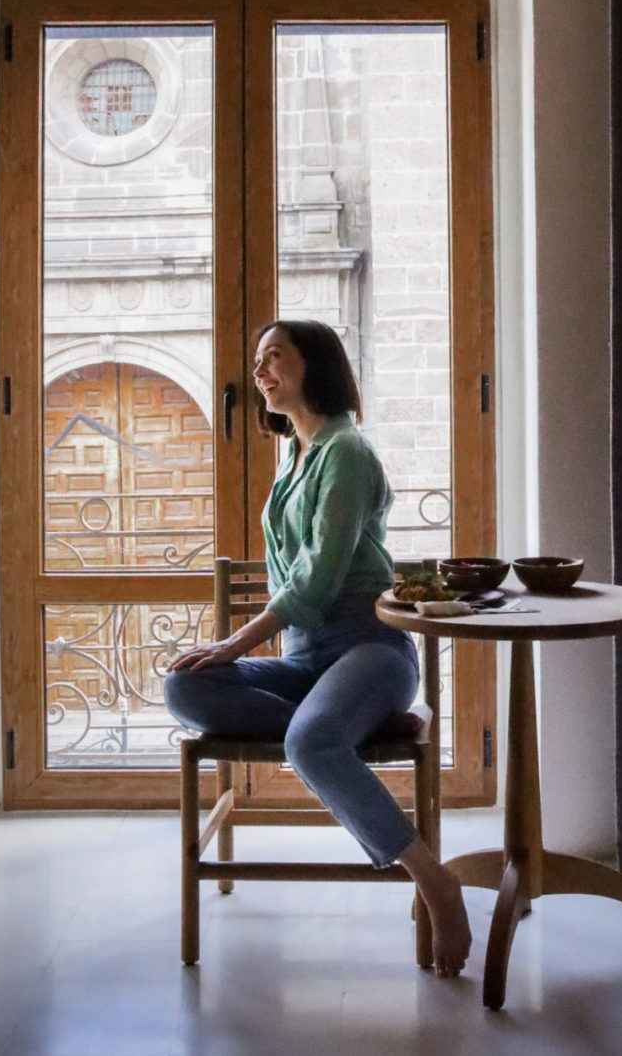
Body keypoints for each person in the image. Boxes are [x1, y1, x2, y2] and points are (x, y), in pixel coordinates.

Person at [164, 318, 471, 977]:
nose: (260, 371)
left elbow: (320, 577)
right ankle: (336, 728)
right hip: (308, 663)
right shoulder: (297, 457)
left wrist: (238, 641)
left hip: (371, 650)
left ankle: (434, 882)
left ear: (316, 366)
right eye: (257, 360)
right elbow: (295, 587)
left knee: (307, 741)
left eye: (275, 356)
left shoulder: (348, 453)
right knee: (183, 685)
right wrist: (236, 656)